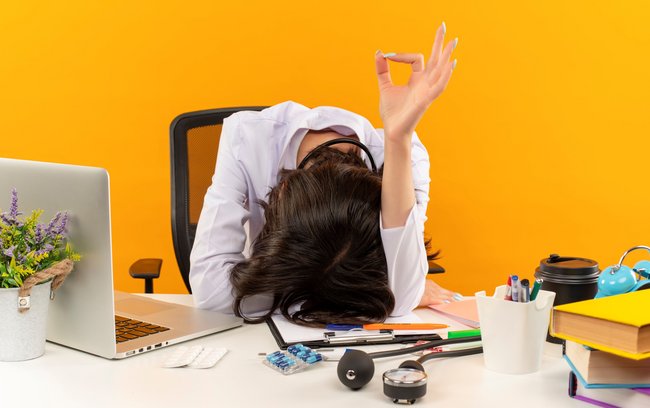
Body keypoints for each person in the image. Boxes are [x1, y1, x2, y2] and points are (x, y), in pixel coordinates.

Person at [190, 22, 459, 326]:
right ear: (281, 191)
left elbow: (401, 298)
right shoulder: (246, 137)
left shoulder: (404, 155)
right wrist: (352, 293)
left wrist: (398, 139)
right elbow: (210, 292)